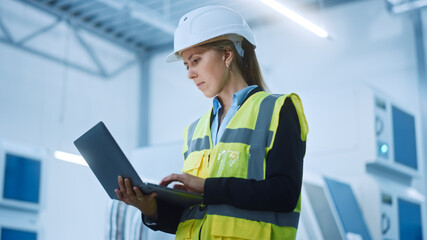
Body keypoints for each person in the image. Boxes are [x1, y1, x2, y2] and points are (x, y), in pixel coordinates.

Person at [114, 5, 308, 240]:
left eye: (196, 60)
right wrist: (150, 209)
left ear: (227, 55)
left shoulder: (277, 109)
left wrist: (206, 187)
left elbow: (284, 194)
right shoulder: (195, 131)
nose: (190, 73)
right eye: (186, 65)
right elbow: (192, 217)